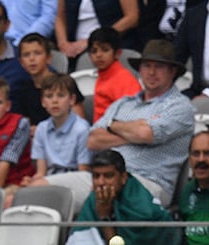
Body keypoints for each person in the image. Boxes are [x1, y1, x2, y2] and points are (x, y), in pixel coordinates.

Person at [47, 39, 194, 215]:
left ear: (173, 71)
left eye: (160, 67)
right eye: (147, 66)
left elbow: (146, 133)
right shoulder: (123, 104)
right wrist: (132, 132)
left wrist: (114, 127)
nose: (152, 72)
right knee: (38, 189)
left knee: (105, 192)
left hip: (148, 182)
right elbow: (93, 140)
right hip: (103, 176)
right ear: (140, 70)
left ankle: (84, 240)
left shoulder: (181, 106)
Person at [65, 149, 179, 245]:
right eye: (96, 176)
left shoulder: (142, 209)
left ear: (123, 177)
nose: (101, 182)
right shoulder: (95, 198)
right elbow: (80, 241)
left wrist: (104, 216)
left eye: (108, 176)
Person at [23, 74, 92, 189]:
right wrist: (32, 181)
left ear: (72, 100)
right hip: (49, 180)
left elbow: (83, 172)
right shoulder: (41, 128)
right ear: (43, 102)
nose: (55, 101)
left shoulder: (82, 129)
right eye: (49, 96)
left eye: (61, 96)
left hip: (75, 181)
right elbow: (41, 172)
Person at [12, 33, 86, 128]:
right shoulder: (22, 89)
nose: (32, 59)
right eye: (26, 55)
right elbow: (23, 124)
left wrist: (42, 131)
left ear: (48, 58)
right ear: (21, 62)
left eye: (37, 53)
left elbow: (80, 121)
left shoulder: (65, 83)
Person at [54, 0, 139, 62]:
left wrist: (92, 41)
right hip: (73, 49)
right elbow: (59, 16)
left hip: (110, 46)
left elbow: (132, 18)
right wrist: (63, 43)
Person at [87, 26, 141, 122]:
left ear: (117, 53)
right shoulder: (102, 76)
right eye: (94, 51)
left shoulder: (124, 79)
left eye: (105, 50)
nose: (99, 55)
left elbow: (132, 116)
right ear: (89, 56)